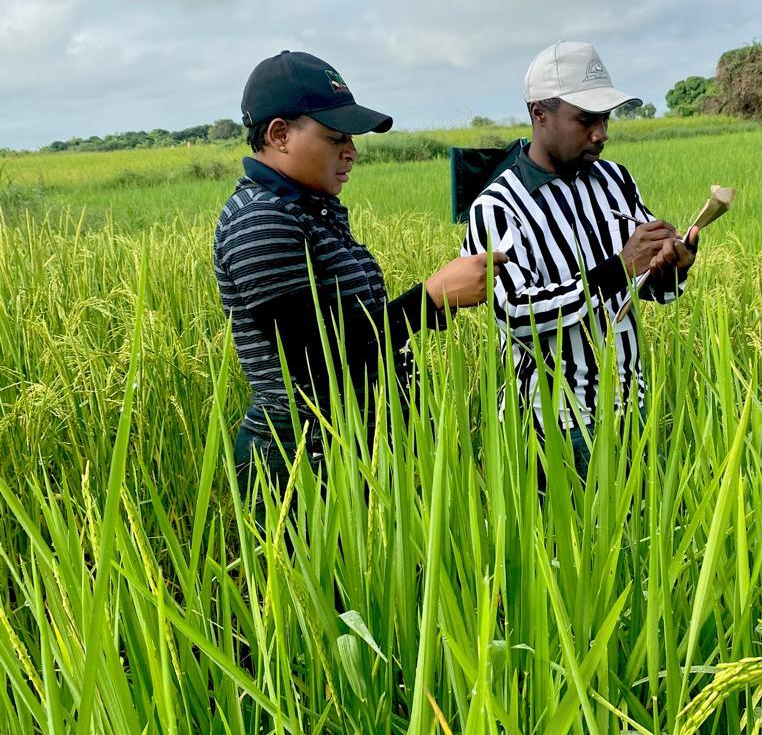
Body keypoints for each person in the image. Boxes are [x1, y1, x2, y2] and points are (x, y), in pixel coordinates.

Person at [214, 50, 505, 495]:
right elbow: (318, 363)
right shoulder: (260, 223)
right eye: (336, 138)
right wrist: (429, 300)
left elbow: (356, 330)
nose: (352, 152)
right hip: (306, 457)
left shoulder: (307, 207)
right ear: (279, 135)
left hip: (353, 440)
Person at [461, 41, 699, 477]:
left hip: (631, 409)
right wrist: (617, 270)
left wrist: (671, 263)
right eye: (585, 119)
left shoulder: (615, 179)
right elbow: (514, 312)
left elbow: (644, 284)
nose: (601, 133)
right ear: (540, 114)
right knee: (558, 544)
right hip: (550, 425)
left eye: (605, 118)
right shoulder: (497, 207)